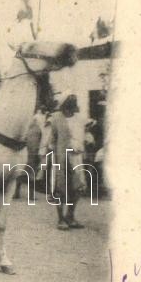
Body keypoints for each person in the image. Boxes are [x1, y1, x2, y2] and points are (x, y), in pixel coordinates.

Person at [48, 95, 87, 230]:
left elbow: (81, 137)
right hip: (60, 157)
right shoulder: (56, 119)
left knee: (78, 187)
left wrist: (79, 147)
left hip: (76, 157)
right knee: (59, 188)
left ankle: (70, 216)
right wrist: (53, 152)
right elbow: (52, 140)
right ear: (64, 104)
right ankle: (61, 219)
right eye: (69, 102)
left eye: (73, 102)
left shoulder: (79, 119)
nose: (71, 106)